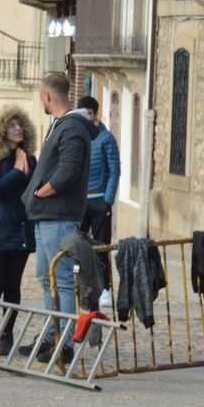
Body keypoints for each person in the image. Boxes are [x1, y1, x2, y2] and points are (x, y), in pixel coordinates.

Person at [18, 73, 99, 364]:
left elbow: (69, 170)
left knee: (62, 280)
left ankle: (64, 342)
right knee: (46, 278)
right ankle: (51, 336)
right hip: (46, 216)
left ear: (48, 97)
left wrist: (41, 193)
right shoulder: (61, 126)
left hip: (59, 215)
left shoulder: (73, 128)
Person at [0, 105, 38, 355]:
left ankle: (7, 335)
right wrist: (15, 173)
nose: (18, 128)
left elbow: (34, 190)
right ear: (2, 130)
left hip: (20, 228)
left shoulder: (30, 160)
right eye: (12, 125)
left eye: (20, 124)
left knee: (13, 284)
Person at [77, 95, 120, 280]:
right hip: (79, 203)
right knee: (76, 245)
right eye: (82, 113)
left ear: (95, 114)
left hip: (99, 200)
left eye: (89, 113)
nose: (86, 117)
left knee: (101, 247)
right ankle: (81, 283)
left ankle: (104, 288)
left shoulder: (106, 138)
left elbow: (114, 170)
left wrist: (107, 200)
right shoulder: (76, 136)